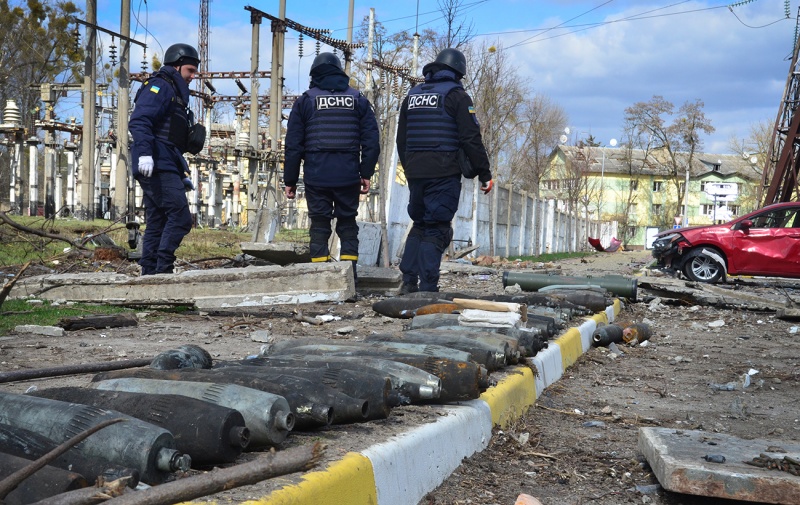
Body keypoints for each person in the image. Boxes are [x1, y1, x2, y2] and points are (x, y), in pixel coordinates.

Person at [396, 48, 493, 293]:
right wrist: (485, 173)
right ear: (458, 72)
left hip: (416, 172)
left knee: (419, 224)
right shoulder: (457, 96)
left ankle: (408, 283)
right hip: (443, 172)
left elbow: (401, 139)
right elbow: (471, 138)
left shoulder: (412, 95)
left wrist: (410, 169)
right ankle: (428, 288)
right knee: (436, 227)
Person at [283, 52, 380, 284]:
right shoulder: (358, 99)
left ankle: (321, 281)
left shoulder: (306, 101)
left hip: (317, 177)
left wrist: (290, 180)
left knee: (319, 225)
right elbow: (371, 141)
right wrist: (365, 173)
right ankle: (349, 279)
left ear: (315, 74)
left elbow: (294, 145)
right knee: (347, 224)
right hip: (348, 176)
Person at [129, 43, 202, 275]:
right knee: (180, 217)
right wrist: (145, 154)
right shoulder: (160, 86)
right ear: (177, 65)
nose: (193, 76)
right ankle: (163, 269)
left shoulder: (175, 92)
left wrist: (181, 173)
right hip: (155, 162)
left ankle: (150, 273)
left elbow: (171, 138)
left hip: (166, 161)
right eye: (190, 70)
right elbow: (140, 121)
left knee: (158, 220)